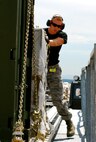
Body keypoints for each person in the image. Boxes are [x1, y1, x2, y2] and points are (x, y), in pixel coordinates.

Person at [44, 14, 75, 137]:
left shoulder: (62, 35)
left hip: (53, 69)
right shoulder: (41, 32)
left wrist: (46, 42)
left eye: (60, 26)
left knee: (57, 99)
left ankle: (68, 122)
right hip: (38, 67)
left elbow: (57, 42)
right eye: (54, 24)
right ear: (50, 23)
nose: (56, 28)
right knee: (33, 97)